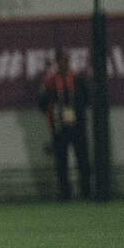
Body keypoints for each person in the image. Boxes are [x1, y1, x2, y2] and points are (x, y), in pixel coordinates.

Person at [39, 48, 91, 200]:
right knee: (61, 162)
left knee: (82, 159)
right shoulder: (51, 82)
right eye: (61, 60)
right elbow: (42, 103)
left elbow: (87, 98)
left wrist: (78, 113)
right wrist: (54, 113)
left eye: (66, 60)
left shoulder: (77, 79)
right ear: (57, 62)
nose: (64, 63)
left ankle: (86, 192)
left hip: (77, 125)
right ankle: (65, 193)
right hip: (59, 127)